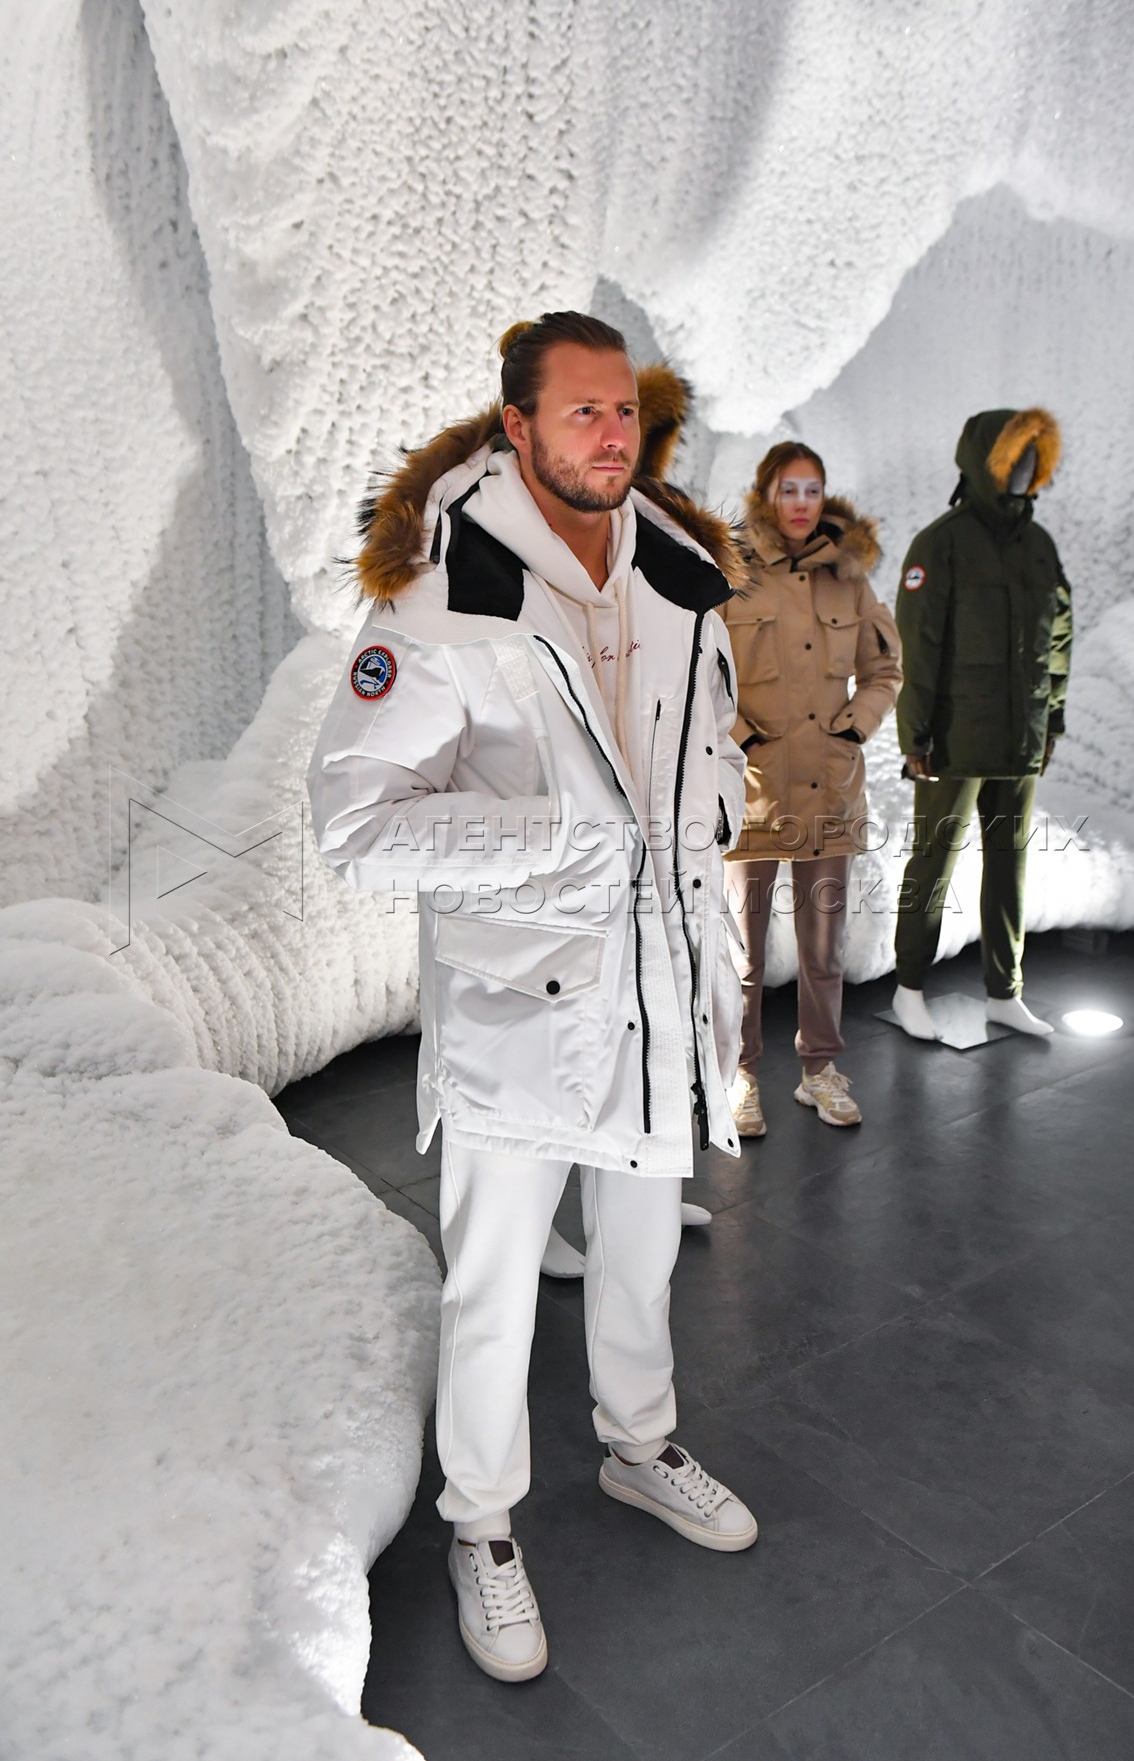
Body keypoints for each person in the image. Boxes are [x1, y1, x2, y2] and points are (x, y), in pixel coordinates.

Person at [308, 312, 757, 1685]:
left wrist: (717, 816)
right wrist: (553, 841)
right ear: (518, 426)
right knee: (495, 1287)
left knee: (642, 1249)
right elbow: (356, 821)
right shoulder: (441, 602)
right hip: (522, 1001)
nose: (612, 435)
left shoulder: (679, 576)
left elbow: (712, 750)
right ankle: (482, 1523)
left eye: (623, 410)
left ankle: (640, 1444)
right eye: (580, 411)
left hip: (660, 988)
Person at [719, 443, 901, 1134]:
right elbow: (704, 673)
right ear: (767, 494)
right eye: (789, 489)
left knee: (824, 949)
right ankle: (740, 1074)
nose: (801, 503)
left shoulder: (848, 579)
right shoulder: (733, 571)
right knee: (742, 951)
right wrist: (743, 739)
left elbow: (884, 669)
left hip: (830, 789)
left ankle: (819, 1070)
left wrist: (855, 727)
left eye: (812, 490)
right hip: (754, 792)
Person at [890, 407, 1072, 1039]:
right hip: (954, 740)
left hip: (1019, 739)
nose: (1026, 468)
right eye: (1015, 455)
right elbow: (917, 648)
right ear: (986, 461)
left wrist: (1050, 723)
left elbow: (1057, 640)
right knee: (933, 862)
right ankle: (909, 987)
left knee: (1009, 864)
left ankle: (1004, 991)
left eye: (1034, 457)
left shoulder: (1040, 547)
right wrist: (915, 735)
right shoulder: (940, 544)